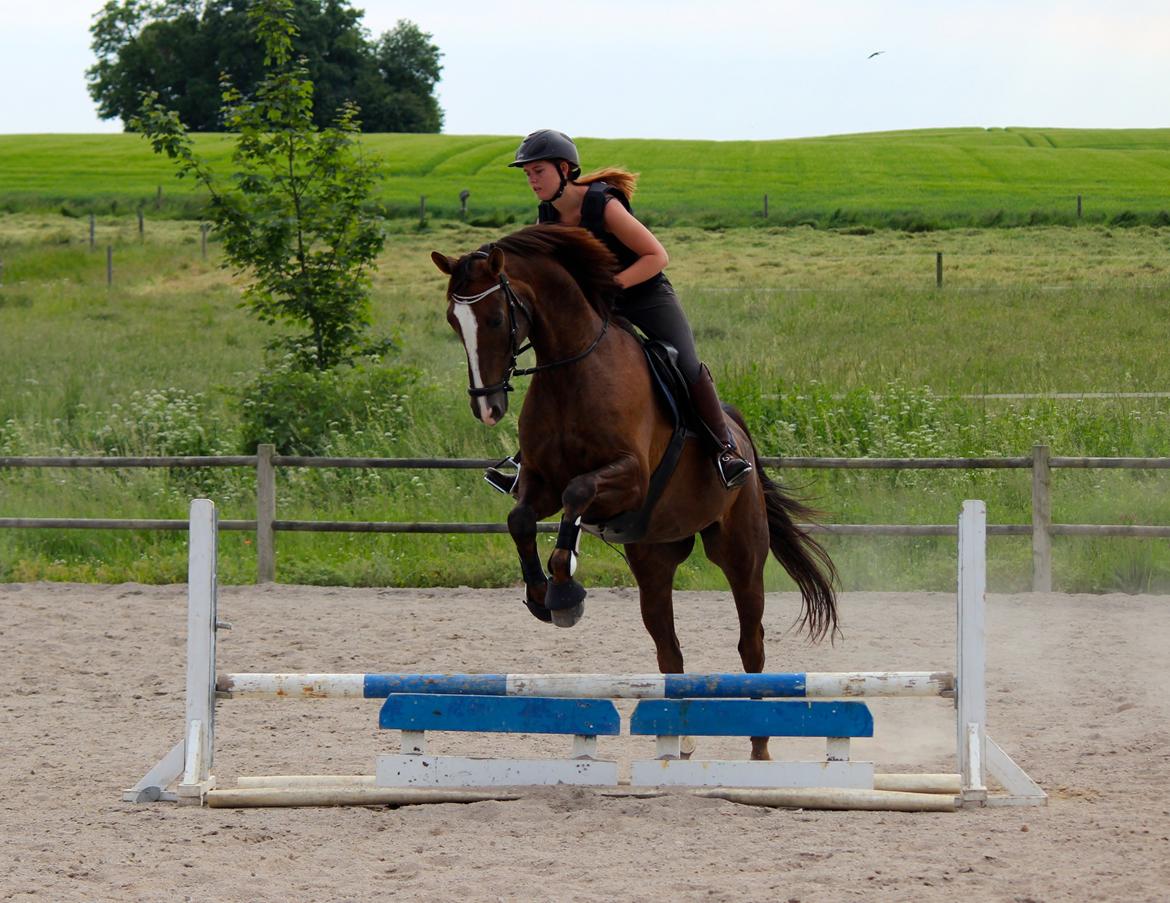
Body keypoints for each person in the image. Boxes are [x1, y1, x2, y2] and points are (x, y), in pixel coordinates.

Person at [484, 128, 752, 493]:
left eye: (538, 171)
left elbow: (657, 256)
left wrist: (610, 289)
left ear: (565, 169)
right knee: (565, 364)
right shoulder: (547, 216)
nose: (531, 179)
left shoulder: (602, 205)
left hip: (645, 294)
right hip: (599, 303)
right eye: (527, 173)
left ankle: (725, 450)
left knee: (686, 363)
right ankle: (527, 461)